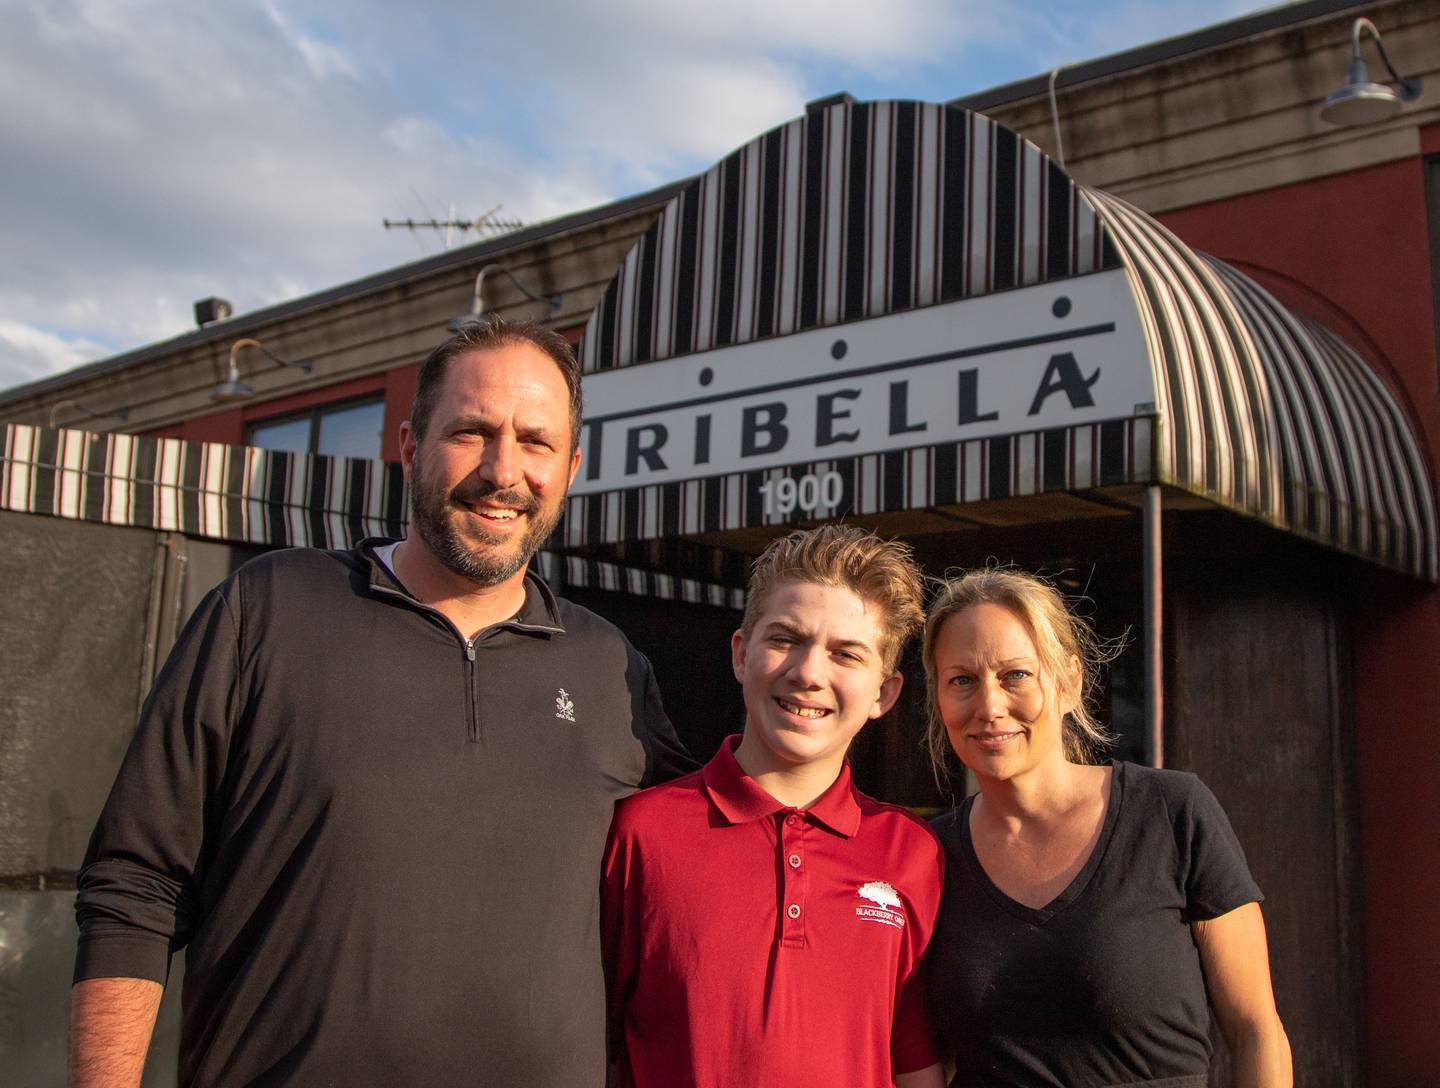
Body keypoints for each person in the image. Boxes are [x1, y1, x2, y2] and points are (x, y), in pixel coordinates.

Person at [70, 319, 693, 1087]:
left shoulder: (611, 669)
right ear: (407, 446)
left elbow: (702, 884)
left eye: (535, 442)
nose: (504, 470)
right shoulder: (268, 611)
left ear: (569, 467)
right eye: (471, 431)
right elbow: (136, 883)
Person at [601, 524, 946, 1088]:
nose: (808, 672)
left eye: (846, 654)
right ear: (741, 654)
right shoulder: (643, 832)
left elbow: (913, 1066)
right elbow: (594, 1048)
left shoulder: (912, 853)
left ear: (884, 693)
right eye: (785, 638)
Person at [921, 568, 1292, 1088]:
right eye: (962, 680)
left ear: (1071, 681)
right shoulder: (929, 858)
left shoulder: (1171, 812)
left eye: (1016, 675)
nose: (989, 706)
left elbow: (1256, 1029)